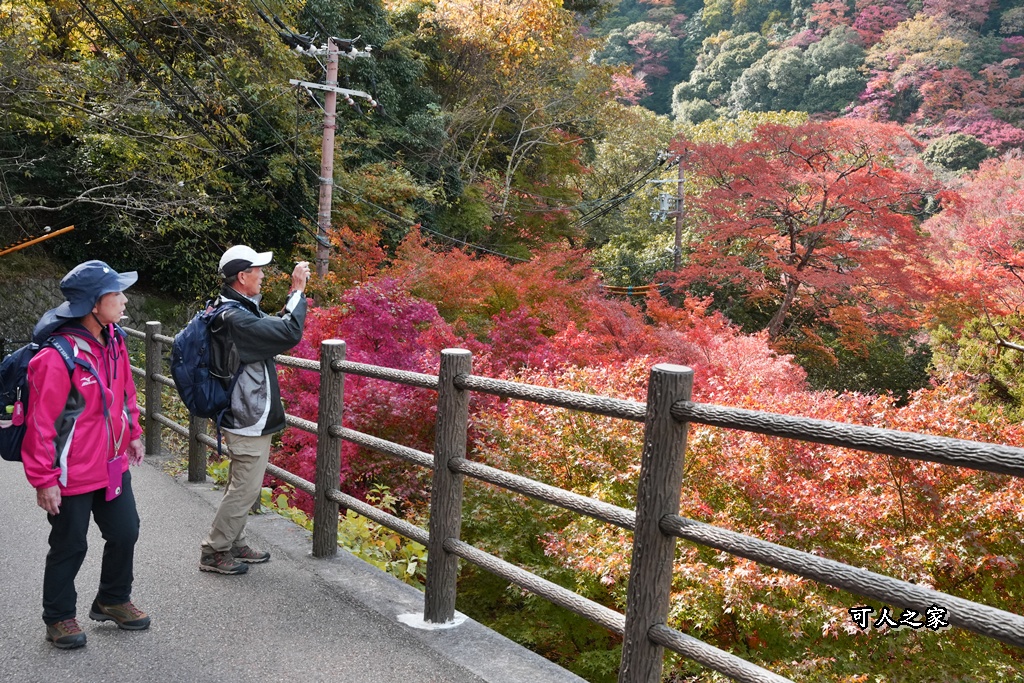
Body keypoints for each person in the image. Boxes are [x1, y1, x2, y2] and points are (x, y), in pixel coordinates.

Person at [22, 260, 148, 650]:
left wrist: (134, 433)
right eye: (116, 294)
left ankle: (112, 598)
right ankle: (58, 617)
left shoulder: (115, 339)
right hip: (70, 472)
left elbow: (125, 390)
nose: (125, 300)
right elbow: (42, 425)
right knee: (70, 545)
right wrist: (44, 480)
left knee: (126, 531)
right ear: (94, 304)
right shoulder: (56, 357)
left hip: (110, 465)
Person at [199, 245, 309, 575]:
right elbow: (288, 331)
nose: (262, 274)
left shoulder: (234, 309)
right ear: (242, 277)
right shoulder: (234, 317)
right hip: (245, 415)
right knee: (244, 488)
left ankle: (234, 541)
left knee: (242, 484)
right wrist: (298, 291)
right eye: (258, 270)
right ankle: (214, 550)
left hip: (244, 412)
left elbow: (273, 326)